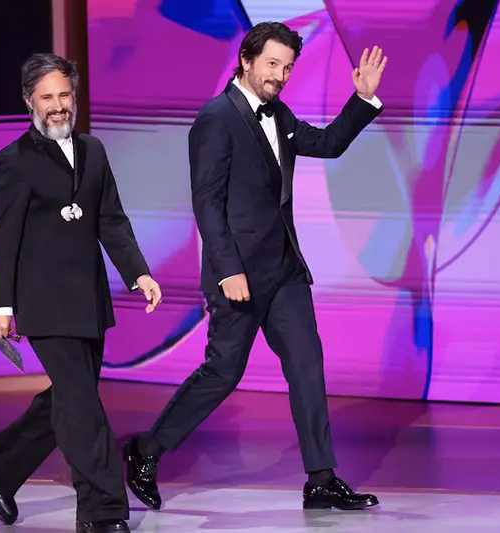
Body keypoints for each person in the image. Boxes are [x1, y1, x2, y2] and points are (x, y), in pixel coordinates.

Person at [122, 22, 387, 511]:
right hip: (238, 274)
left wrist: (362, 100)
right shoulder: (216, 119)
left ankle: (321, 478)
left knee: (307, 365)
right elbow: (206, 202)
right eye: (272, 64)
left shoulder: (280, 115)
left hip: (284, 269)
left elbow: (327, 144)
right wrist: (227, 269)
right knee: (224, 372)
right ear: (246, 60)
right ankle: (146, 450)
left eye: (287, 67)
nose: (280, 76)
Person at [0, 53, 162, 533]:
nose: (58, 106)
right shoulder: (11, 163)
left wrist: (139, 273)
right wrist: (0, 305)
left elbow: (111, 220)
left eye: (65, 96)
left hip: (89, 300)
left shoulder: (94, 151)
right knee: (83, 408)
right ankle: (102, 511)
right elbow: (3, 237)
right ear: (29, 102)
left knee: (69, 399)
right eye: (48, 97)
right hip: (43, 303)